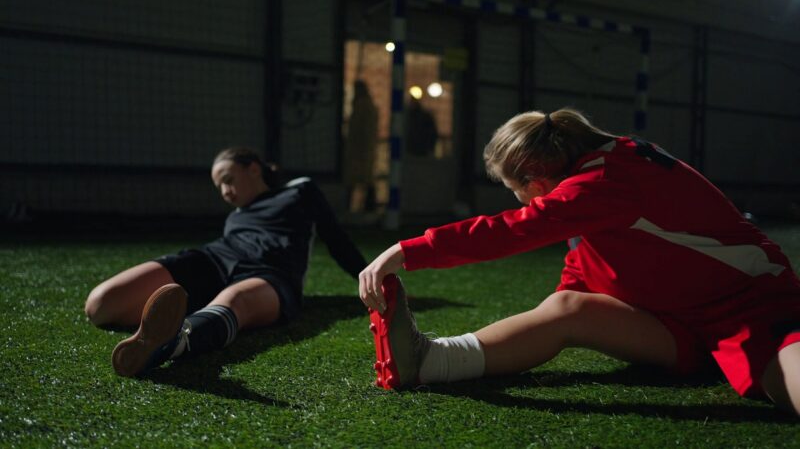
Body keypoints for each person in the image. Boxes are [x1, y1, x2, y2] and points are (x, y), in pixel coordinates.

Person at [358, 108, 800, 415]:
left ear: (535, 179)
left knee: (782, 383)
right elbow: (584, 271)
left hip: (755, 309)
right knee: (567, 306)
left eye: (515, 189)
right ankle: (431, 361)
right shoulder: (596, 172)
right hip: (680, 320)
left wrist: (404, 252)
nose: (519, 200)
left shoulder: (602, 180)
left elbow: (510, 230)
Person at [85, 146, 367, 377]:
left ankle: (169, 343)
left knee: (235, 300)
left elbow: (337, 240)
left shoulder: (300, 190)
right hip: (214, 258)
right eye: (219, 186)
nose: (224, 192)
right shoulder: (236, 216)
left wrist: (369, 278)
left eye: (228, 179)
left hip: (270, 273)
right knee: (100, 304)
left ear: (254, 169)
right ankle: (179, 319)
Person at [343, 80, 379, 213]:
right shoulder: (368, 106)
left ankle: (355, 207)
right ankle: (368, 206)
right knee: (365, 180)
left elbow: (359, 131)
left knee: (357, 180)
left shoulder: (361, 106)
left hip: (359, 150)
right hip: (364, 149)